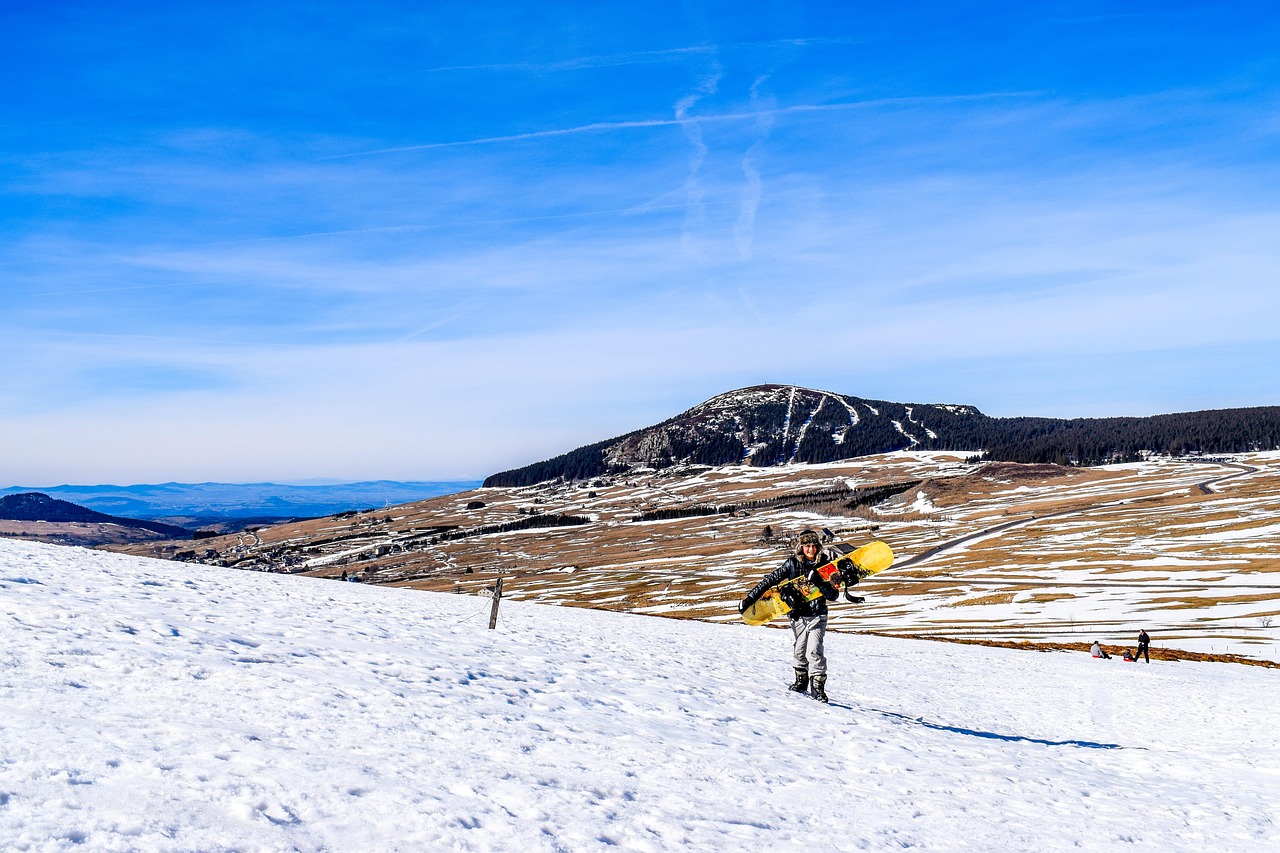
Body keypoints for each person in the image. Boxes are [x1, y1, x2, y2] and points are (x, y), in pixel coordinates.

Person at [739, 529, 841, 703]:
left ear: (818, 546)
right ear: (801, 547)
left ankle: (818, 690)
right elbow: (770, 580)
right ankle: (801, 682)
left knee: (814, 650)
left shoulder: (826, 564)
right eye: (807, 546)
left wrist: (817, 581)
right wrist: (750, 598)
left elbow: (833, 595)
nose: (810, 549)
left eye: (813, 546)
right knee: (800, 650)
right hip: (798, 615)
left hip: (818, 615)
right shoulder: (792, 564)